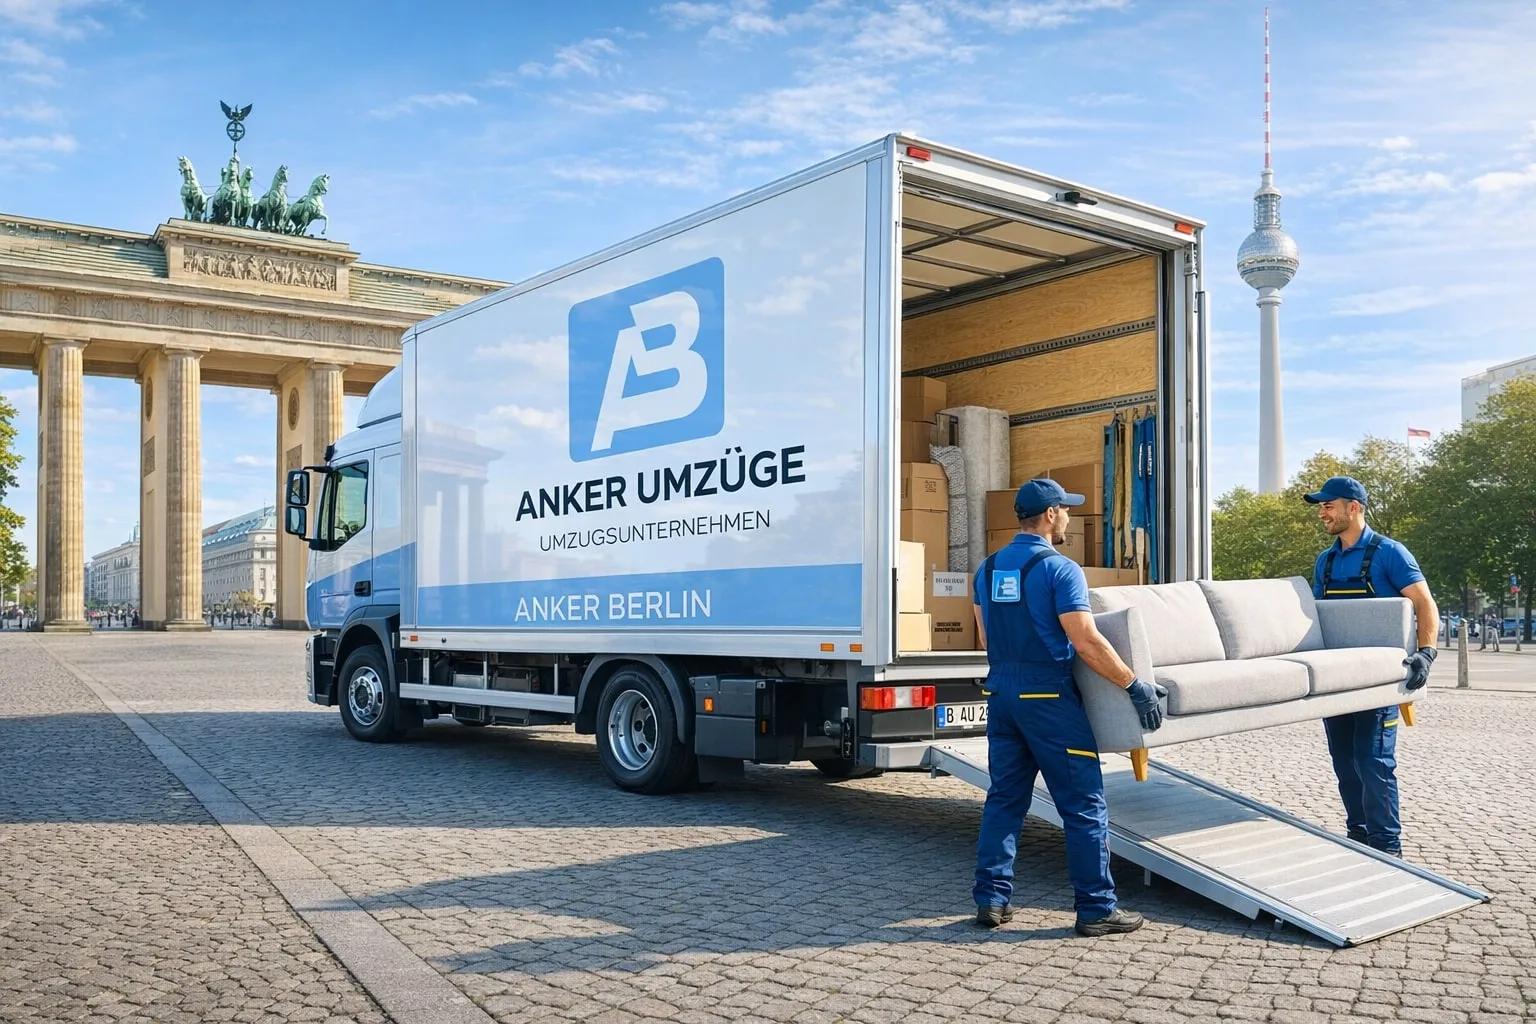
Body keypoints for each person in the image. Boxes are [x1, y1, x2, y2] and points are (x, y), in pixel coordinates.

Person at [970, 479, 1167, 935]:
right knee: (1082, 804)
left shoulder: (987, 568)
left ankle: (991, 899)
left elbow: (984, 638)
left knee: (1004, 800)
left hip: (1002, 695)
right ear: (1051, 514)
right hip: (1048, 699)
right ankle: (1096, 908)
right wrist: (1132, 684)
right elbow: (1085, 641)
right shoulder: (1061, 569)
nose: (1069, 519)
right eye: (1066, 510)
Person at [1306, 476, 1439, 856]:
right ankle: (1359, 838)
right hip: (1338, 680)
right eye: (1321, 507)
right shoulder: (1326, 560)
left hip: (1379, 681)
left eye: (1328, 506)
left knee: (1373, 761)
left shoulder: (1391, 553)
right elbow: (1319, 615)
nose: (1322, 513)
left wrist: (1426, 652)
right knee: (1345, 762)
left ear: (1354, 507)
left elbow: (1424, 603)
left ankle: (1387, 848)